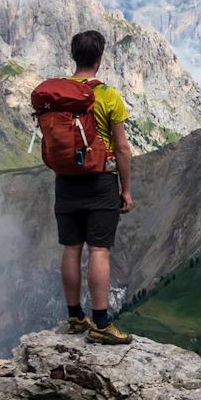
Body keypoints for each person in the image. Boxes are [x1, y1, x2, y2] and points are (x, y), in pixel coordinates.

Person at [57, 30, 133, 345]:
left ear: (74, 56)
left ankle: (75, 318)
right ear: (100, 58)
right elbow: (123, 148)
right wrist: (125, 190)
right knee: (99, 250)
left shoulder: (56, 94)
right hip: (101, 180)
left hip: (65, 181)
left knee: (72, 248)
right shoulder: (108, 96)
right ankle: (101, 323)